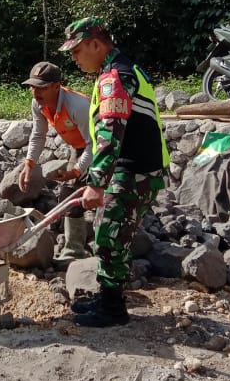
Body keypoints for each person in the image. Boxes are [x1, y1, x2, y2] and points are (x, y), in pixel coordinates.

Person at [59, 18, 170, 327]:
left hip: (134, 170)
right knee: (113, 235)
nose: (74, 58)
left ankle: (112, 309)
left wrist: (96, 182)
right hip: (133, 168)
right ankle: (108, 299)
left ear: (97, 44)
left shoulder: (115, 77)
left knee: (108, 236)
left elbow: (110, 132)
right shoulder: (121, 70)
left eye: (78, 50)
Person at [19, 61, 94, 262]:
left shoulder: (78, 106)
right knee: (69, 195)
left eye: (41, 87)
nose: (36, 92)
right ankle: (75, 251)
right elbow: (38, 134)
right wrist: (29, 164)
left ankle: (111, 247)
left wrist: (77, 171)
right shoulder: (39, 104)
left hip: (106, 148)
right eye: (33, 87)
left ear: (56, 86)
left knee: (102, 192)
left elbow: (94, 145)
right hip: (79, 148)